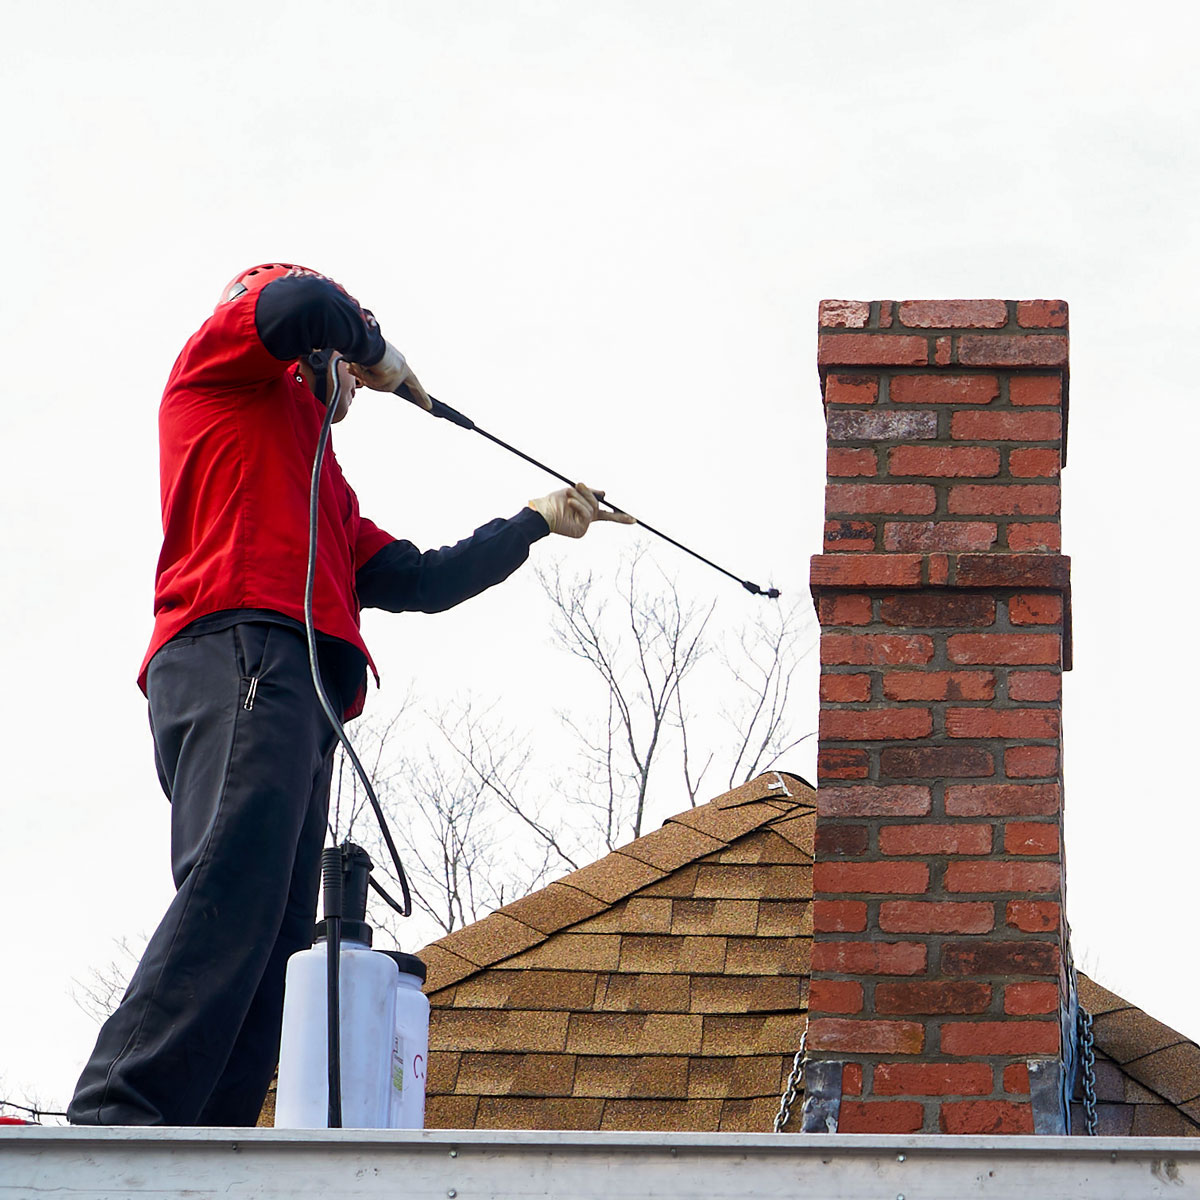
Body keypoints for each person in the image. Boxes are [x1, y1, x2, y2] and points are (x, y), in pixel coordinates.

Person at [68, 263, 632, 1126]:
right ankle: (120, 1109)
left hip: (293, 686)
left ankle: (200, 1140)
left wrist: (531, 521)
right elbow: (302, 303)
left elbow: (419, 578)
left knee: (278, 934)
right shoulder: (217, 373)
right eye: (342, 366)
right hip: (237, 654)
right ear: (314, 358)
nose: (356, 391)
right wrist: (384, 352)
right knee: (235, 873)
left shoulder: (321, 481)